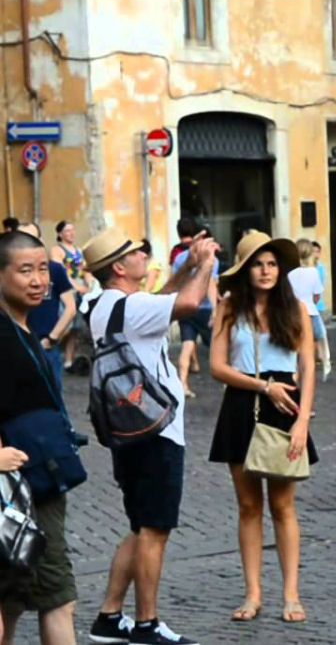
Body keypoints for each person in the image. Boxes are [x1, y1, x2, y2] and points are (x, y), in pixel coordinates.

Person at [83, 225, 216, 645]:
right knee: (155, 529)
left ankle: (108, 617)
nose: (145, 255)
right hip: (156, 429)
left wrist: (188, 265)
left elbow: (163, 298)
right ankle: (147, 624)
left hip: (130, 429)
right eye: (136, 252)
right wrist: (207, 263)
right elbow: (191, 302)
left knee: (142, 526)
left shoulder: (105, 304)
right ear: (120, 267)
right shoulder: (132, 305)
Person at [209, 231, 316, 625]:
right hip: (243, 404)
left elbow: (307, 367)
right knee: (249, 506)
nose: (266, 270)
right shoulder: (228, 308)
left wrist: (303, 420)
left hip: (286, 405)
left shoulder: (297, 309)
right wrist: (261, 386)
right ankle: (253, 592)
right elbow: (218, 367)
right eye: (258, 263)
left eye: (272, 263)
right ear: (244, 269)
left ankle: (291, 593)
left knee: (283, 505)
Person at [0, 232, 78, 645]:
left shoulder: (24, 329)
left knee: (14, 604)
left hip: (39, 485)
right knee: (56, 597)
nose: (37, 280)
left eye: (43, 268)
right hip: (12, 490)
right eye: (24, 270)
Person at [19, 222, 76, 387]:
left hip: (47, 348)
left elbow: (70, 308)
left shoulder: (55, 269)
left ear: (41, 240)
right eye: (21, 240)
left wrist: (52, 338)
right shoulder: (7, 273)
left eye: (31, 239)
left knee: (53, 400)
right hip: (18, 347)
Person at [171, 232, 220, 399]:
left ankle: (183, 384)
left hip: (185, 307)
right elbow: (211, 284)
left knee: (187, 345)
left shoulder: (180, 259)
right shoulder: (212, 259)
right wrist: (215, 310)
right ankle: (229, 384)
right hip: (204, 307)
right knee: (219, 346)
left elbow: (177, 281)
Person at [49, 220, 89, 374]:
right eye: (67, 231)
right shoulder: (57, 250)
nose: (71, 233)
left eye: (73, 230)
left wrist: (90, 285)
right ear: (60, 234)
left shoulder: (78, 250)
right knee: (65, 325)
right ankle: (49, 349)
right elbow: (60, 272)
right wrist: (77, 286)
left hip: (80, 291)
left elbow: (85, 270)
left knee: (75, 329)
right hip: (65, 289)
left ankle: (68, 361)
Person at [289, 239, 331, 381]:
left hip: (293, 314)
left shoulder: (290, 273)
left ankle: (295, 375)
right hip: (310, 313)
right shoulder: (313, 272)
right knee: (315, 341)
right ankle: (311, 371)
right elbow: (317, 294)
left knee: (295, 348)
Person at [311, 241, 329, 316]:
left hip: (319, 304)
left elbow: (321, 284)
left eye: (317, 251)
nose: (316, 254)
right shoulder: (307, 268)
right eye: (313, 251)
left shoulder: (321, 267)